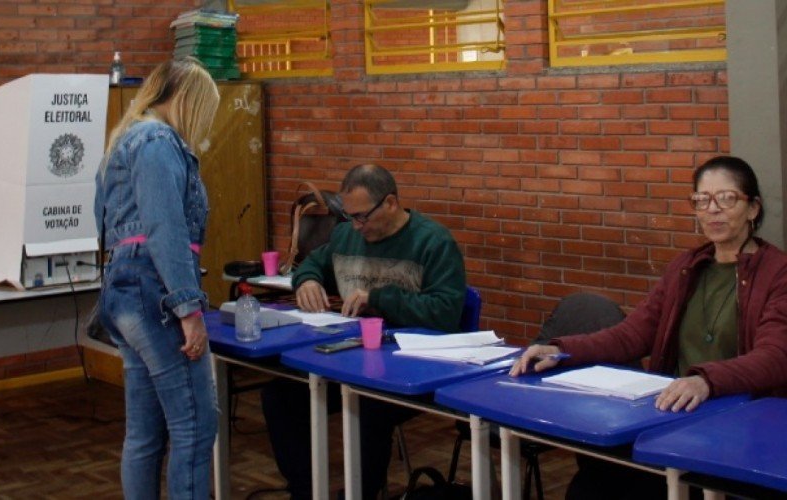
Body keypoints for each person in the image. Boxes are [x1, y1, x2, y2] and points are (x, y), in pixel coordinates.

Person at [511, 155, 787, 500]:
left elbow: (775, 357)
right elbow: (633, 333)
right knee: (592, 485)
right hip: (675, 416)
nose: (712, 209)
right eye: (702, 200)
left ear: (753, 208)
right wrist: (562, 349)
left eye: (726, 198)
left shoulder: (778, 273)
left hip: (740, 425)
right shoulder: (687, 268)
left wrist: (706, 380)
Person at [262, 163, 467, 499]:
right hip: (354, 362)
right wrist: (308, 279)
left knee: (365, 407)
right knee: (280, 397)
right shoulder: (346, 236)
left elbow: (444, 314)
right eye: (350, 216)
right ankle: (306, 491)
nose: (356, 226)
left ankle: (363, 493)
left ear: (389, 203)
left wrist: (380, 299)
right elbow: (314, 262)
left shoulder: (434, 242)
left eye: (362, 217)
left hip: (409, 367)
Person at [94, 57, 220, 499]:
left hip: (123, 291)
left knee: (146, 433)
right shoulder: (158, 141)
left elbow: (103, 221)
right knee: (195, 426)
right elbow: (166, 228)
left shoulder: (123, 139)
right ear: (187, 101)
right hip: (155, 294)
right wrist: (188, 309)